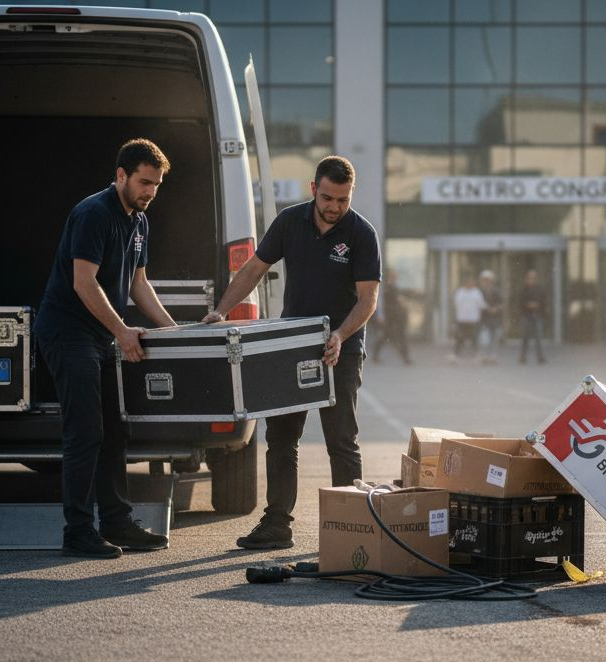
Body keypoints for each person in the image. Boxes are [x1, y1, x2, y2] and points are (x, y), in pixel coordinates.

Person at [204, 156, 381, 550]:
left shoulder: (361, 233)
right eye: (328, 197)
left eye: (343, 199)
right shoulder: (290, 222)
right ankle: (277, 525)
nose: (335, 207)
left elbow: (368, 300)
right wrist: (221, 309)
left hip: (341, 349)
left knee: (341, 440)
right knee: (282, 436)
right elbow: (252, 269)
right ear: (313, 187)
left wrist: (340, 334)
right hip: (292, 346)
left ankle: (348, 530)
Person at [32, 138, 177, 559]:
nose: (151, 191)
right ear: (121, 176)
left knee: (116, 430)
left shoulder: (140, 221)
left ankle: (117, 523)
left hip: (97, 335)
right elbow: (83, 282)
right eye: (144, 182)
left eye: (157, 184)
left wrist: (175, 334)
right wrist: (121, 331)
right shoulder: (94, 213)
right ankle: (78, 532)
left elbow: (138, 284)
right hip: (66, 331)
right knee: (85, 432)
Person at [371, 267, 411, 364]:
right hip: (389, 317)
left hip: (396, 316)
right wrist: (380, 316)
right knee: (386, 336)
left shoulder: (394, 286)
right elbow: (380, 302)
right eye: (393, 274)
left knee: (399, 336)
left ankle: (406, 358)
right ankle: (375, 355)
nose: (395, 276)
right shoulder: (385, 287)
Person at [451, 274, 484, 361]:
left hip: (474, 319)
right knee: (459, 338)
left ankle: (476, 355)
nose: (470, 283)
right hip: (462, 319)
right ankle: (455, 355)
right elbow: (456, 304)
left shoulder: (477, 292)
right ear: (465, 283)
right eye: (469, 282)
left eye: (472, 282)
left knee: (474, 338)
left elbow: (481, 305)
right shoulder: (460, 292)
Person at [518, 269, 547, 364]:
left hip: (537, 316)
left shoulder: (540, 289)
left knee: (538, 338)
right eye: (529, 278)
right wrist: (527, 305)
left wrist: (537, 306)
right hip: (526, 316)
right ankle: (523, 357)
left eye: (533, 278)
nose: (531, 280)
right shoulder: (523, 290)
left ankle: (541, 357)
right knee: (525, 338)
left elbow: (544, 302)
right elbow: (519, 302)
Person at [478, 269, 503, 365]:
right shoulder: (480, 291)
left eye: (487, 280)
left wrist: (495, 309)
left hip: (495, 318)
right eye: (484, 280)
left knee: (494, 337)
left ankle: (493, 356)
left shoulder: (496, 291)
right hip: (484, 318)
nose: (485, 282)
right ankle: (484, 355)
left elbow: (501, 303)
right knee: (484, 338)